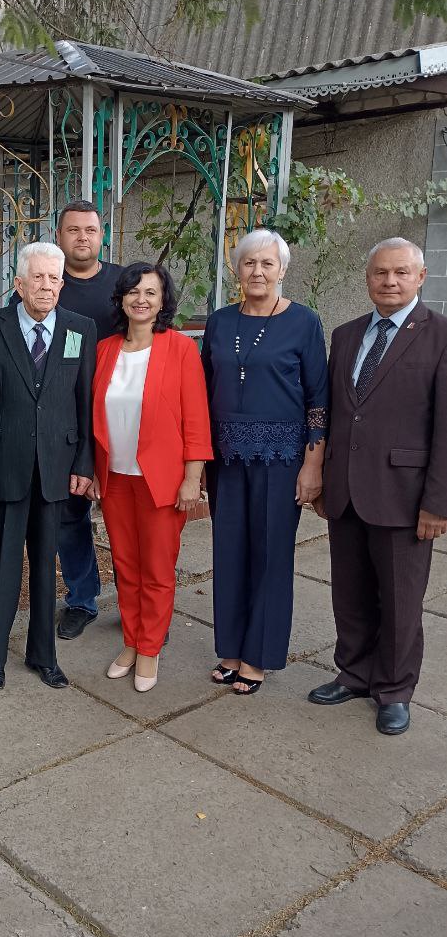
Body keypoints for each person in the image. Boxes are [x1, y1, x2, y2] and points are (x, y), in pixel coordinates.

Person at [309, 238, 447, 735]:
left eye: (400, 273)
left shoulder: (439, 336)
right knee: (350, 592)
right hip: (346, 490)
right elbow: (340, 413)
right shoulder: (346, 336)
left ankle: (394, 688)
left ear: (420, 276)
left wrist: (438, 502)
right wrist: (323, 481)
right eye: (380, 273)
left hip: (406, 497)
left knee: (401, 598)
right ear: (367, 278)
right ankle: (355, 672)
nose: (390, 282)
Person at [200, 228, 328, 694]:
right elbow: (202, 387)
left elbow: (318, 398)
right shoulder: (218, 321)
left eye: (266, 264)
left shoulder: (304, 321)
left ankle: (259, 656)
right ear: (237, 269)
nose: (257, 271)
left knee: (271, 555)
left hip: (282, 459)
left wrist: (313, 464)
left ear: (282, 270)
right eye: (249, 263)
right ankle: (231, 649)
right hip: (227, 458)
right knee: (229, 553)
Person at [0, 241, 96, 690]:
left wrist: (84, 460)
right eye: (38, 277)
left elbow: (83, 400)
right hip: (8, 465)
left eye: (54, 278)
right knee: (5, 566)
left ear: (63, 283)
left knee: (47, 566)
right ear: (20, 283)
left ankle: (43, 655)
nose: (47, 286)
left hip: (57, 468)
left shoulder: (81, 329)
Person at [91, 263, 212, 691]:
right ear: (121, 298)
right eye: (133, 291)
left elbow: (196, 419)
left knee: (158, 569)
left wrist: (191, 478)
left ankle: (150, 648)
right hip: (115, 477)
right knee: (125, 567)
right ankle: (131, 640)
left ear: (163, 302)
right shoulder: (104, 350)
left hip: (160, 479)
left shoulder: (179, 348)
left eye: (151, 293)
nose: (141, 299)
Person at [13, 200, 124, 639]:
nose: (82, 237)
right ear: (58, 237)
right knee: (70, 516)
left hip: (119, 415)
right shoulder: (39, 287)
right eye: (73, 230)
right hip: (64, 422)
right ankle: (82, 598)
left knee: (126, 518)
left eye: (90, 230)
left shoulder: (122, 283)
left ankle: (139, 606)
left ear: (102, 236)